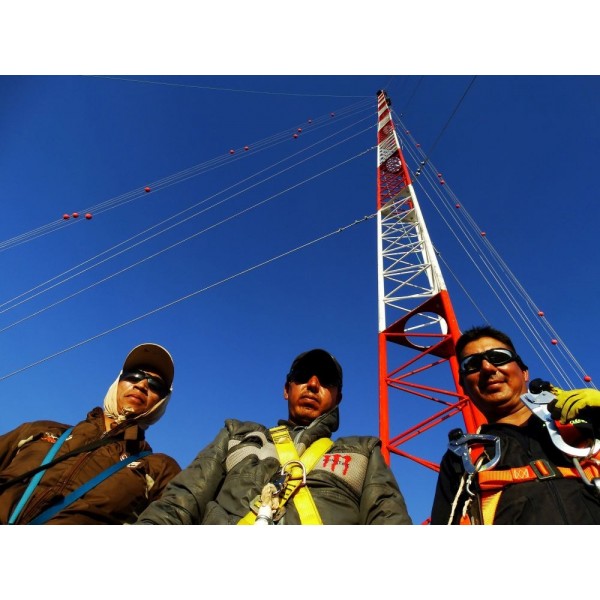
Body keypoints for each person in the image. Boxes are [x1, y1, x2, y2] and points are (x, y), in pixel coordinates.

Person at [135, 348, 412, 525]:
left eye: (326, 380)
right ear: (286, 390)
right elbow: (181, 502)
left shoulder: (363, 452)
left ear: (338, 397)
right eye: (303, 376)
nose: (313, 385)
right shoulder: (237, 434)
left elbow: (389, 521)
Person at [430, 325, 600, 524]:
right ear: (464, 386)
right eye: (472, 364)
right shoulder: (464, 456)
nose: (487, 367)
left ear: (524, 372)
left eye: (499, 357)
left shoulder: (585, 425)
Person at [0, 343, 181, 524]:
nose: (141, 385)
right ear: (117, 383)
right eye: (134, 376)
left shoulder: (159, 468)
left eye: (155, 384)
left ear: (162, 402)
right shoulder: (41, 430)